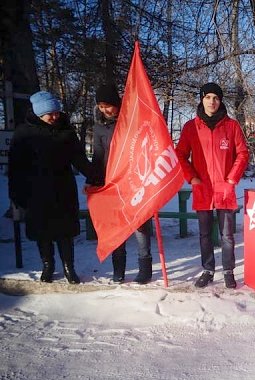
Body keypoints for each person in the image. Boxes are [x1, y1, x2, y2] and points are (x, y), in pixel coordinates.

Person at [8, 91, 95, 284]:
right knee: (43, 232)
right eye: (50, 114)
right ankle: (47, 265)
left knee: (65, 233)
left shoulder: (66, 132)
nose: (55, 116)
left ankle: (69, 267)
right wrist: (16, 193)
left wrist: (96, 176)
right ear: (39, 114)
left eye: (57, 112)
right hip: (36, 191)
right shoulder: (24, 133)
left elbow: (79, 159)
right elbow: (15, 167)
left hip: (62, 189)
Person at [174, 82, 249, 289]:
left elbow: (242, 153)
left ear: (220, 100)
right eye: (208, 97)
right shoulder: (191, 127)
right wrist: (192, 177)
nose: (212, 101)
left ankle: (228, 271)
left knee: (227, 234)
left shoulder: (231, 126)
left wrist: (232, 178)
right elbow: (180, 154)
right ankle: (208, 269)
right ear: (202, 99)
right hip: (203, 187)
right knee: (205, 233)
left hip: (224, 187)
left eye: (215, 98)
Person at [87, 83, 153, 284]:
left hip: (133, 181)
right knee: (117, 227)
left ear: (117, 104)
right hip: (111, 184)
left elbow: (144, 146)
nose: (105, 110)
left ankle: (145, 268)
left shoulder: (130, 121)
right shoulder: (98, 128)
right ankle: (119, 268)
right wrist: (94, 181)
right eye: (101, 106)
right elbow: (98, 156)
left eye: (108, 105)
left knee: (139, 225)